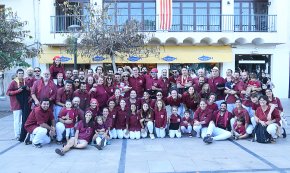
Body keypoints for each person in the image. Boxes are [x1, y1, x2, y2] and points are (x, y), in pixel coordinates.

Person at [7, 69, 29, 140]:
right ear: (17, 74)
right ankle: (17, 135)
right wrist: (17, 91)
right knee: (17, 120)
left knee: (23, 119)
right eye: (19, 73)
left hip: (24, 104)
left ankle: (22, 134)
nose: (21, 75)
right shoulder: (13, 82)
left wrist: (28, 89)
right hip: (16, 104)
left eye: (22, 73)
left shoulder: (25, 81)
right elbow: (8, 92)